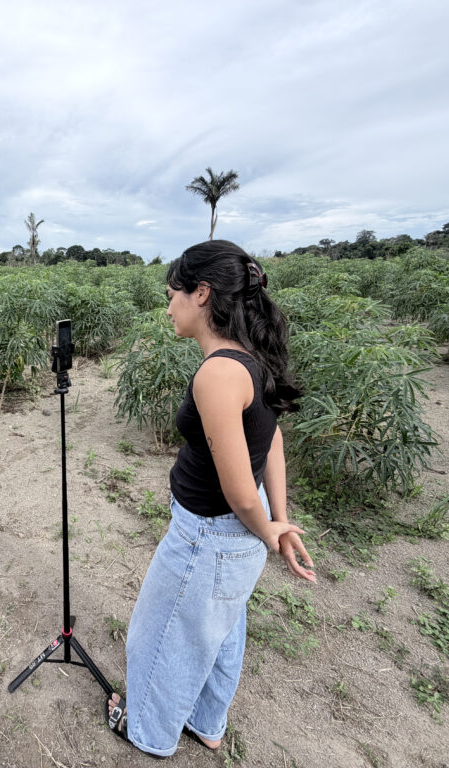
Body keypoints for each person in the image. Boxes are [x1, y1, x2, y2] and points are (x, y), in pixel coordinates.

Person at [106, 240, 316, 757]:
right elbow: (271, 441)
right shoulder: (251, 356)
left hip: (208, 535)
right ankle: (207, 723)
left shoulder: (218, 373)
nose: (168, 308)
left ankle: (147, 733)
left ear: (201, 294)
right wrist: (276, 521)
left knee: (160, 636)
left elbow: (238, 489)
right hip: (238, 537)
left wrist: (268, 527)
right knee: (220, 631)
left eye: (172, 295)